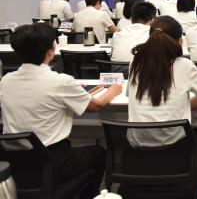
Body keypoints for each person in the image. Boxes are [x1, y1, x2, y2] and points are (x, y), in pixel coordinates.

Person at [0, 23, 122, 198]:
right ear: (50, 51)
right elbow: (96, 106)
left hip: (15, 162)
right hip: (53, 161)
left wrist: (73, 90)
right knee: (98, 153)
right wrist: (114, 89)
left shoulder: (5, 81)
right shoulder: (61, 82)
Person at [127, 16, 197, 198]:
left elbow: (132, 96)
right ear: (179, 41)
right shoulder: (184, 65)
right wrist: (185, 104)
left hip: (137, 152)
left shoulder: (135, 63)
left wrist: (180, 104)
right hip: (175, 150)